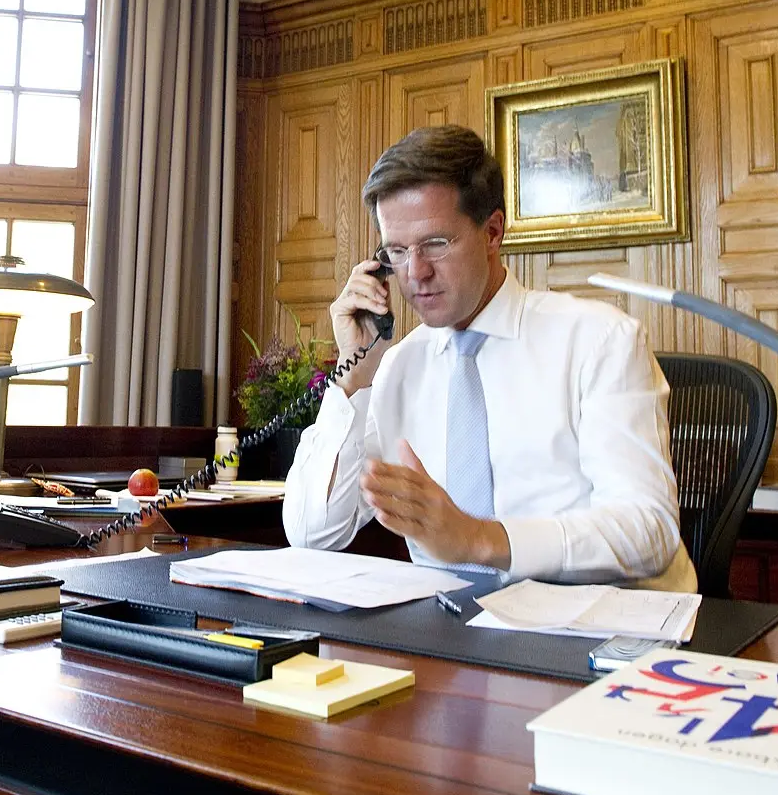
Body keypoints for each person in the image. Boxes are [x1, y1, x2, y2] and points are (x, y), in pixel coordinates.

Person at [282, 125, 695, 591]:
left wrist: (479, 539)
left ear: (493, 231)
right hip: (450, 641)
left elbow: (649, 531)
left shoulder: (600, 341)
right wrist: (353, 379)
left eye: (436, 243)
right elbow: (314, 534)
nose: (415, 273)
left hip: (596, 636)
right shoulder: (397, 367)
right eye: (397, 252)